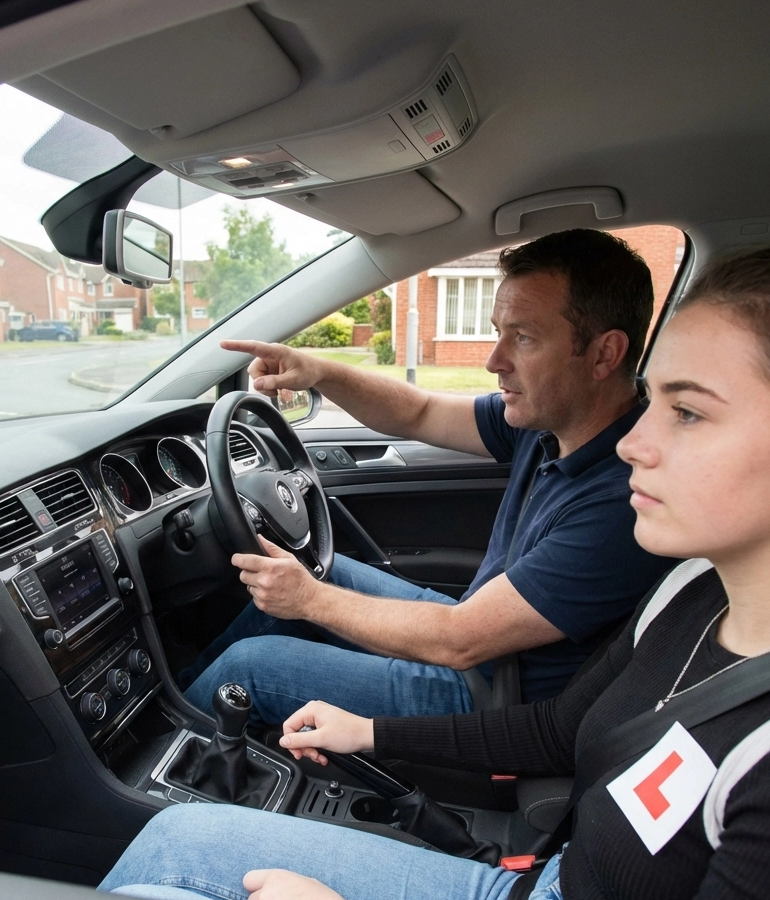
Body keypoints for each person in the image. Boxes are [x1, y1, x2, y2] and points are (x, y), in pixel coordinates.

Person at [101, 243, 770, 900]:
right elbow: (558, 732)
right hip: (535, 894)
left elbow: (462, 641)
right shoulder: (692, 593)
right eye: (656, 399)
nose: (638, 442)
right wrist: (371, 734)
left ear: (602, 353)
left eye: (687, 412)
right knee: (167, 847)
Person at [182, 229, 677, 724]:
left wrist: (308, 601)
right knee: (308, 568)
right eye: (498, 332)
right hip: (478, 641)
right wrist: (320, 372)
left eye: (523, 338)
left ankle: (155, 758)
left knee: (250, 665)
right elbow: (418, 412)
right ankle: (185, 695)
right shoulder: (552, 420)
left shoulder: (626, 499)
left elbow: (460, 640)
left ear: (604, 354)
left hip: (493, 699)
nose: (493, 361)